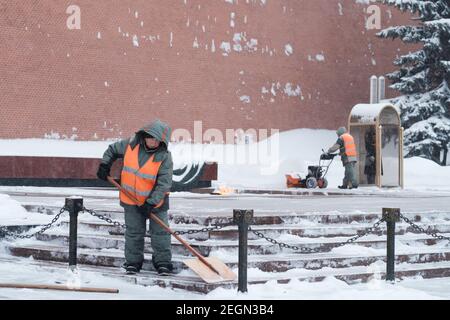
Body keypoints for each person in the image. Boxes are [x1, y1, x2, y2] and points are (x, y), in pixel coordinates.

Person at [96, 119, 173, 275]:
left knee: (160, 233)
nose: (154, 141)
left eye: (158, 139)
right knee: (133, 233)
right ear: (144, 135)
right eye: (151, 137)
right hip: (131, 200)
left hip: (156, 203)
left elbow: (164, 183)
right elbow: (112, 149)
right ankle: (133, 262)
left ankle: (163, 262)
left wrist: (150, 203)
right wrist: (105, 165)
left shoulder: (164, 156)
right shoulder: (131, 145)